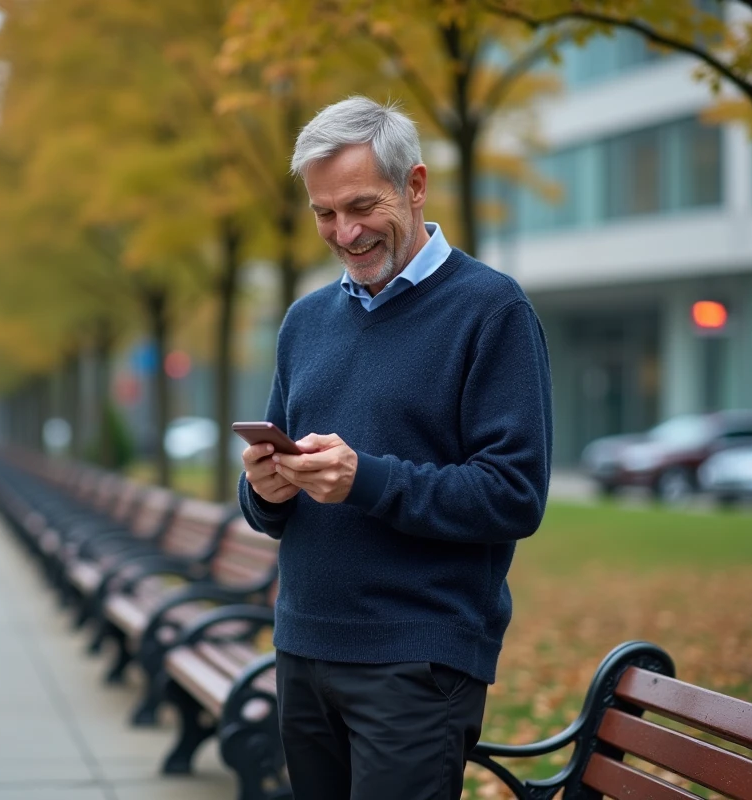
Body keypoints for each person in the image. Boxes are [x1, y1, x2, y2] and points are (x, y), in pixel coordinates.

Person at [238, 96, 553, 800]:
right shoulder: (304, 321)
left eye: (360, 206)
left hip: (418, 659)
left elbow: (514, 495)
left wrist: (366, 480)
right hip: (303, 647)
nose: (344, 233)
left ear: (415, 186)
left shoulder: (493, 311)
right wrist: (263, 489)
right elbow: (271, 502)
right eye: (324, 213)